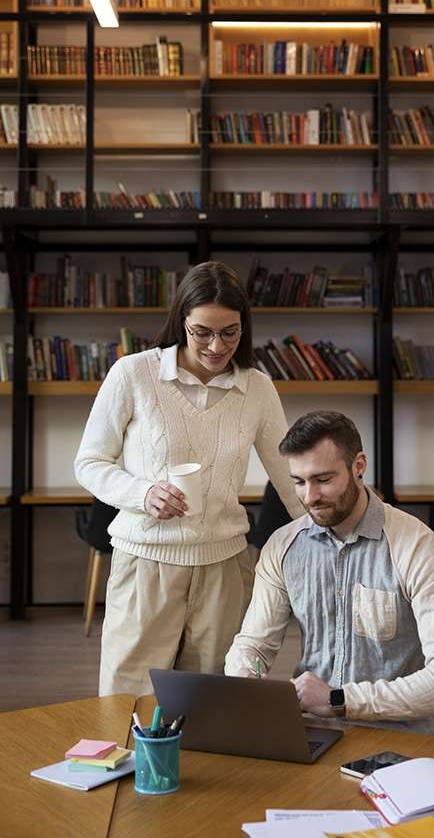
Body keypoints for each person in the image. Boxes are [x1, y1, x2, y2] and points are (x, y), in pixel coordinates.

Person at [74, 261, 303, 697]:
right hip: (146, 563)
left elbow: (290, 478)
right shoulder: (134, 374)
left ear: (244, 328)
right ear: (182, 322)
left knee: (213, 701)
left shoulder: (256, 387)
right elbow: (89, 462)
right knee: (130, 701)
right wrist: (143, 492)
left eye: (230, 332)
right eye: (203, 332)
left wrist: (340, 533)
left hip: (225, 566)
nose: (217, 346)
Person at [225, 410, 434, 734]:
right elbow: (253, 645)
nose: (309, 497)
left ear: (359, 466)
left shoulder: (416, 545)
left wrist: (340, 699)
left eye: (323, 480)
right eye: (299, 482)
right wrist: (246, 674)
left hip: (400, 738)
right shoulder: (283, 547)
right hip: (313, 732)